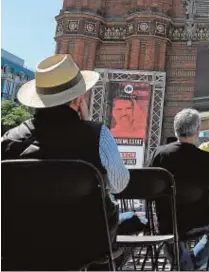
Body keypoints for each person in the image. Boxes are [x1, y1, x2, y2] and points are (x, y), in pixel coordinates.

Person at [1, 54, 130, 260]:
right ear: (78, 100)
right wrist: (87, 124)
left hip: (18, 248)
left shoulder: (9, 140)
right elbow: (119, 184)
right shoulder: (98, 135)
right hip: (85, 247)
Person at [149, 109, 209, 270]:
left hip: (165, 222)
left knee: (171, 234)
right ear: (198, 131)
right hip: (198, 221)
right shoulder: (206, 159)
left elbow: (149, 191)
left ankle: (186, 264)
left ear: (175, 129)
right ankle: (193, 262)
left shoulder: (158, 154)